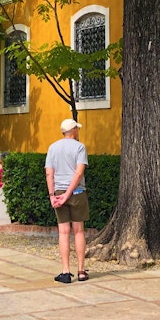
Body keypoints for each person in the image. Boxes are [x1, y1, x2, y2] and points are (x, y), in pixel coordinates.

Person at [45, 119, 89, 284]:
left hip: (58, 193)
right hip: (77, 193)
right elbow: (78, 174)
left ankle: (65, 271)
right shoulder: (79, 147)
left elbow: (49, 173)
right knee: (78, 231)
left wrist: (53, 195)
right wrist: (69, 193)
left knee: (63, 232)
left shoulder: (53, 147)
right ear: (74, 131)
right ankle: (81, 271)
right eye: (77, 129)